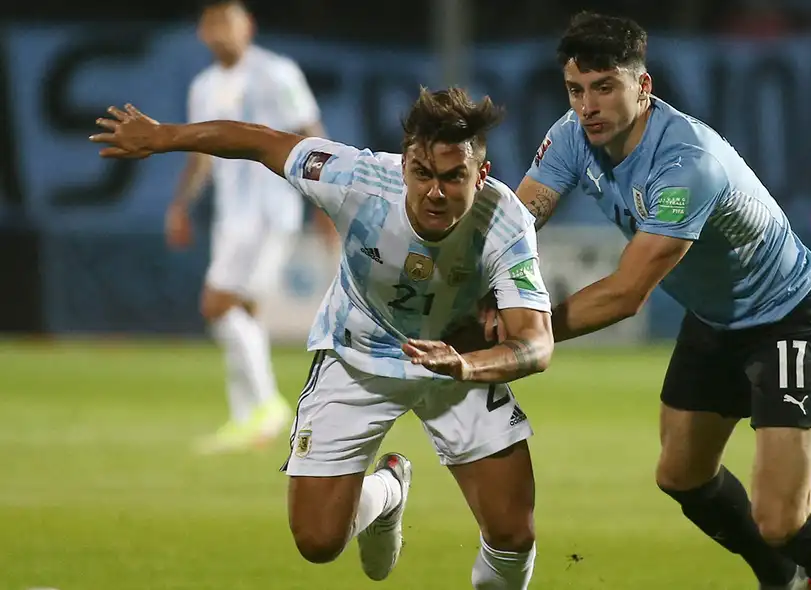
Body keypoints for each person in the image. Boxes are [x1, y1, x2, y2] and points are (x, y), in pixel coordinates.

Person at [497, 11, 811, 590]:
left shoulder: (687, 164)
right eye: (576, 90)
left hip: (786, 319)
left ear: (643, 86)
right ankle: (788, 580)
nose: (588, 106)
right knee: (681, 476)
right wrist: (467, 279)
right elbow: (516, 225)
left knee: (781, 520)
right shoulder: (571, 135)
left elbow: (626, 293)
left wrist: (523, 330)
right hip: (716, 319)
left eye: (604, 87)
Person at [90, 86, 553, 589]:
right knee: (317, 540)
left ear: (480, 175)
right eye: (422, 173)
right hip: (358, 358)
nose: (435, 192)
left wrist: (465, 365)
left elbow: (536, 343)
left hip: (455, 364)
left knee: (513, 534)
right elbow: (260, 141)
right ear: (403, 167)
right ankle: (388, 491)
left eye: (452, 177)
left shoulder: (505, 220)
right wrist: (165, 136)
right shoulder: (355, 179)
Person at [167, 0, 332, 454]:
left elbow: (311, 134)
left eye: (229, 21)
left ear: (249, 26)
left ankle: (266, 403)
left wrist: (326, 203)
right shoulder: (204, 86)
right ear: (202, 32)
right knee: (245, 312)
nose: (220, 30)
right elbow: (201, 154)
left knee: (217, 304)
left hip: (269, 209)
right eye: (212, 23)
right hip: (231, 217)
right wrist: (181, 205)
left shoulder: (277, 73)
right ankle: (247, 418)